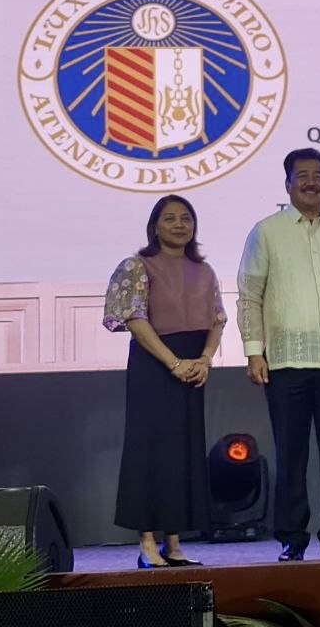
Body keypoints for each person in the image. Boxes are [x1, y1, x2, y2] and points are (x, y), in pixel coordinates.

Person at [236, 148, 320, 562]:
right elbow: (249, 295)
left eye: (318, 175)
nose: (311, 181)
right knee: (290, 454)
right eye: (302, 175)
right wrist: (253, 351)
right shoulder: (266, 231)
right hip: (284, 364)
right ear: (288, 184)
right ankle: (292, 539)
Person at [103, 194, 226, 568]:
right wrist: (173, 362)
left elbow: (217, 319)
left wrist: (204, 360)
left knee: (183, 452)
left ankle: (174, 544)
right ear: (155, 226)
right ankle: (147, 543)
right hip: (155, 367)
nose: (179, 225)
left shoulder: (204, 271)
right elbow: (136, 321)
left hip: (192, 368)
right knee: (150, 452)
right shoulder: (137, 266)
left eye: (186, 218)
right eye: (169, 218)